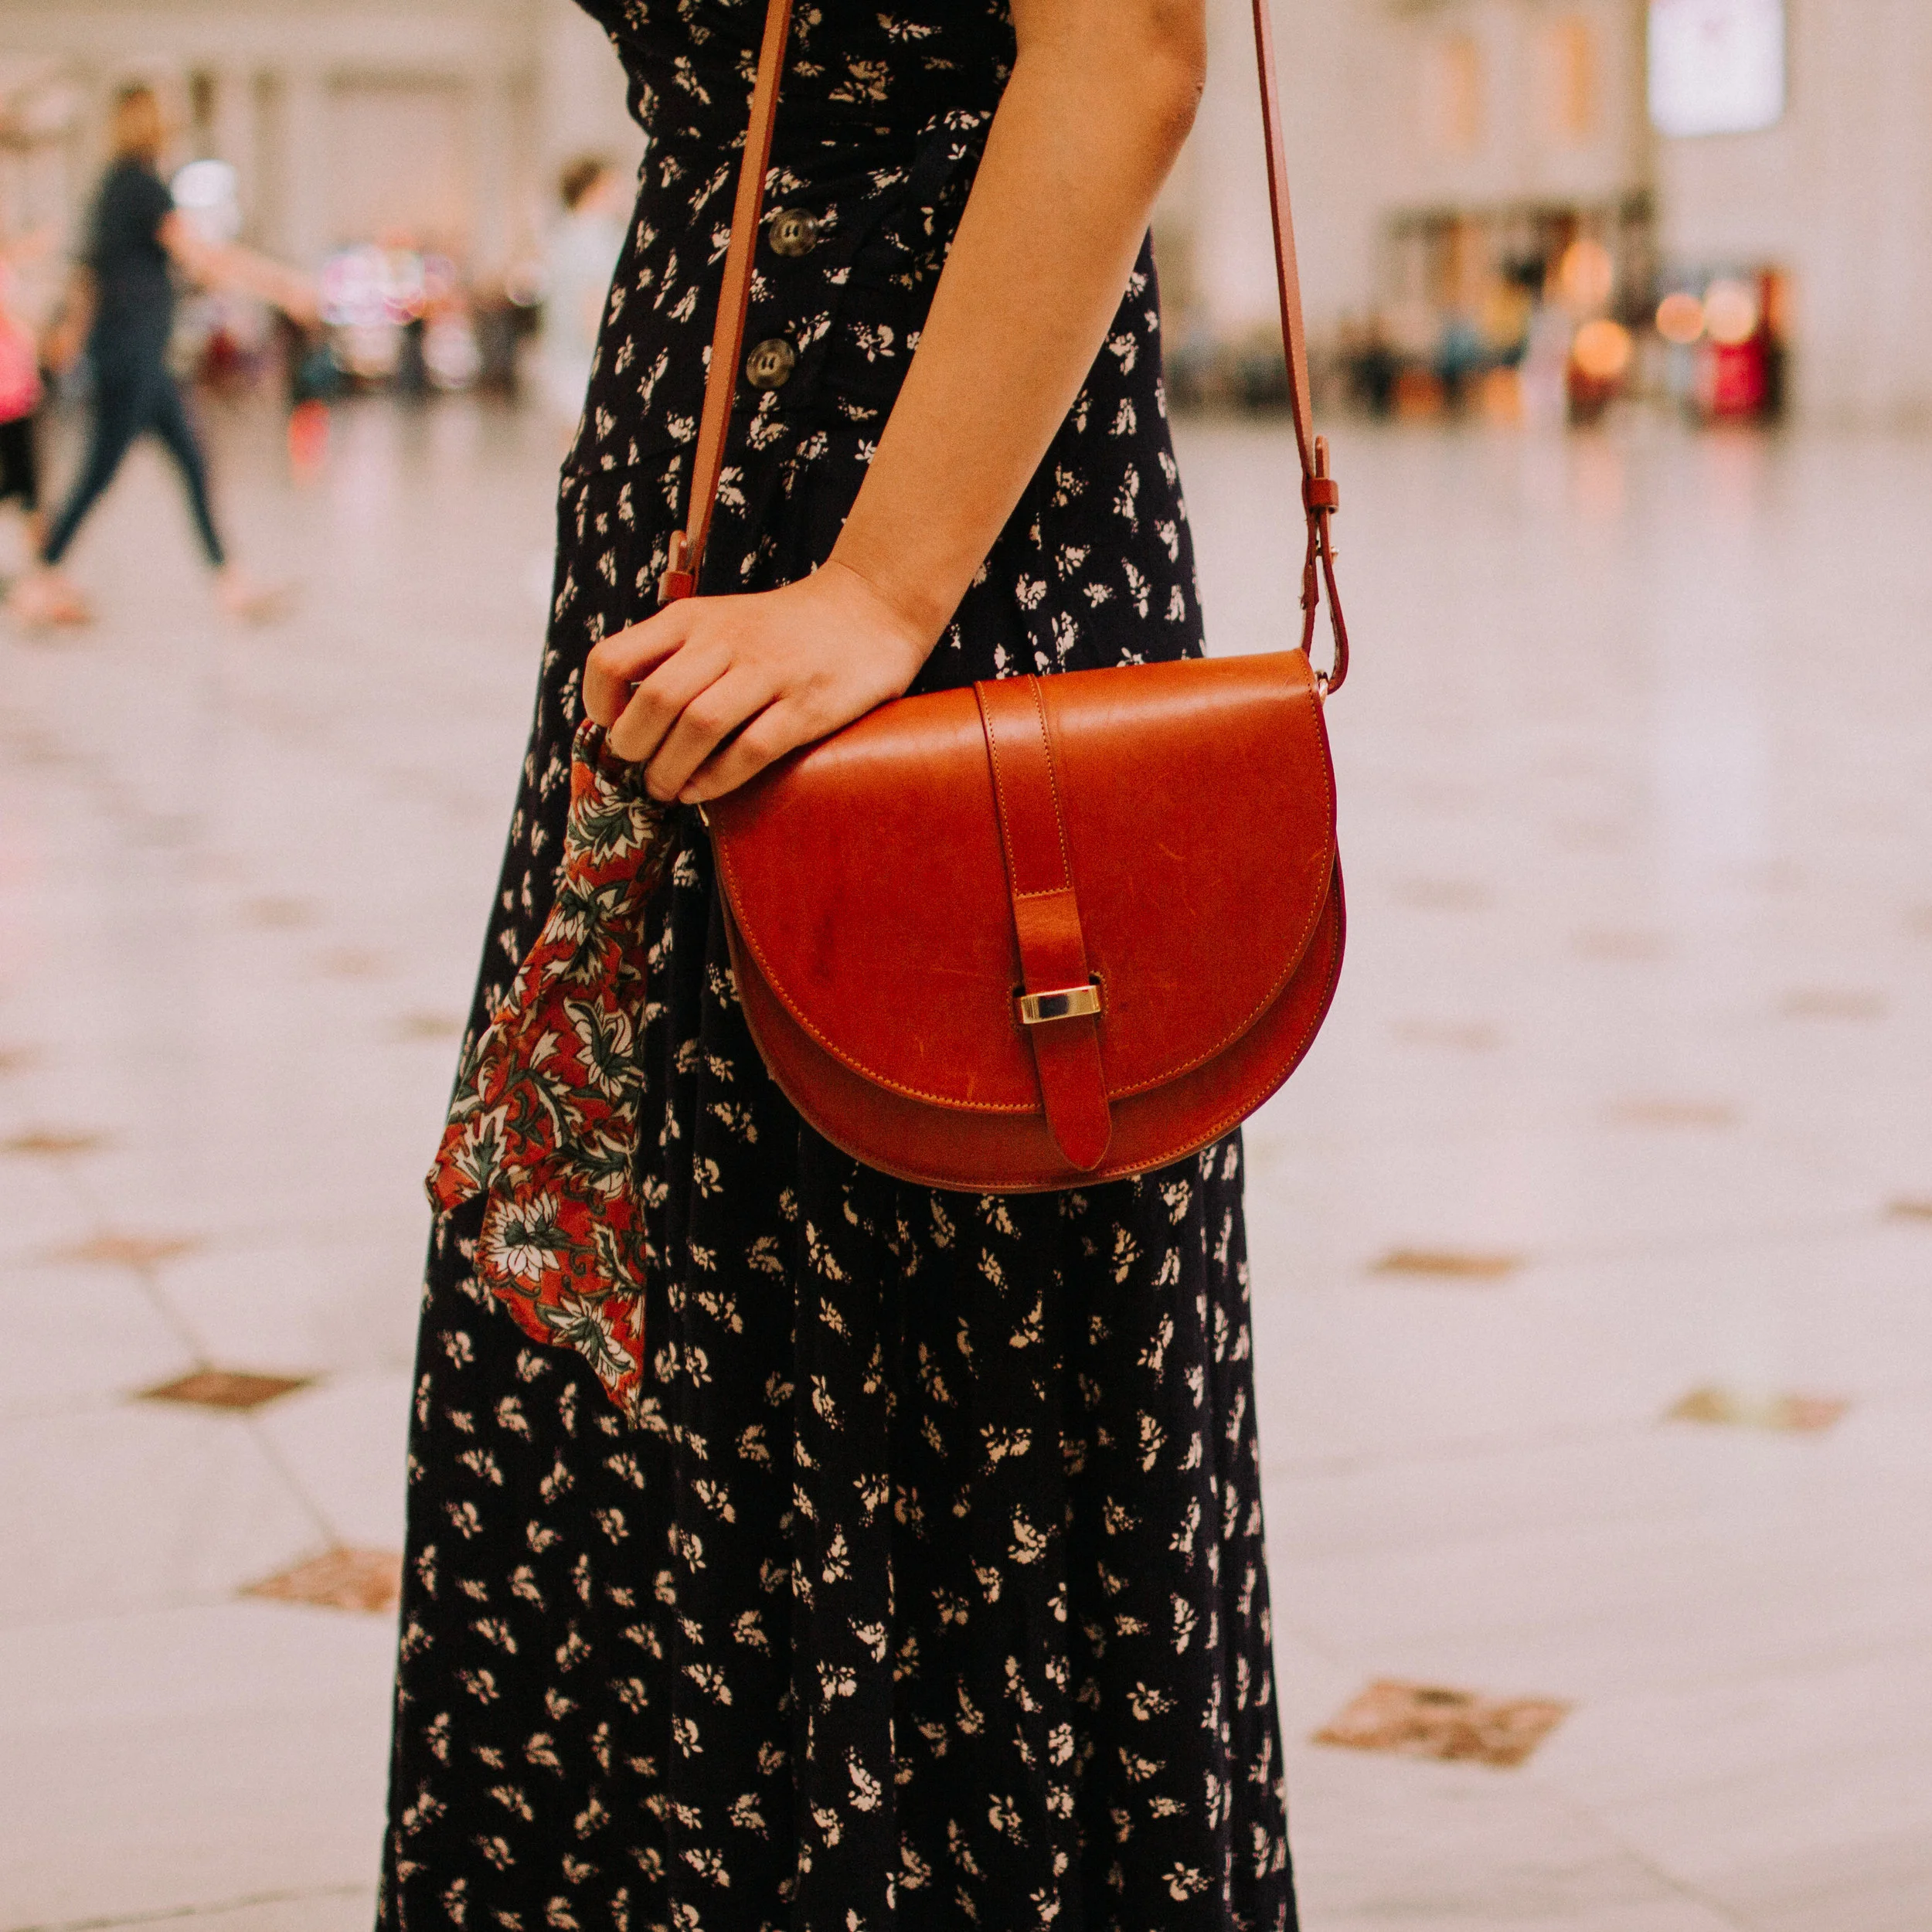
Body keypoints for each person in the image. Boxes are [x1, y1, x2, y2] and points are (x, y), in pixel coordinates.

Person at [381, 3, 1297, 1927]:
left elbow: (1123, 45)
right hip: (723, 481)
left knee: (873, 1302)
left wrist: (885, 585)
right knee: (662, 1319)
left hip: (910, 520)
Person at [9, 84, 315, 628]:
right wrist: (283, 284)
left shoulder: (112, 188)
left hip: (136, 353)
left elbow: (91, 275)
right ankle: (38, 580)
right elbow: (202, 257)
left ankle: (231, 582)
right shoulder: (141, 186)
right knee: (99, 472)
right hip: (133, 357)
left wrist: (72, 339)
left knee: (192, 464)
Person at [536, 153, 628, 424]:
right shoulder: (597, 235)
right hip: (586, 360)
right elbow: (594, 300)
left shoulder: (561, 234)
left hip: (561, 356)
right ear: (595, 189)